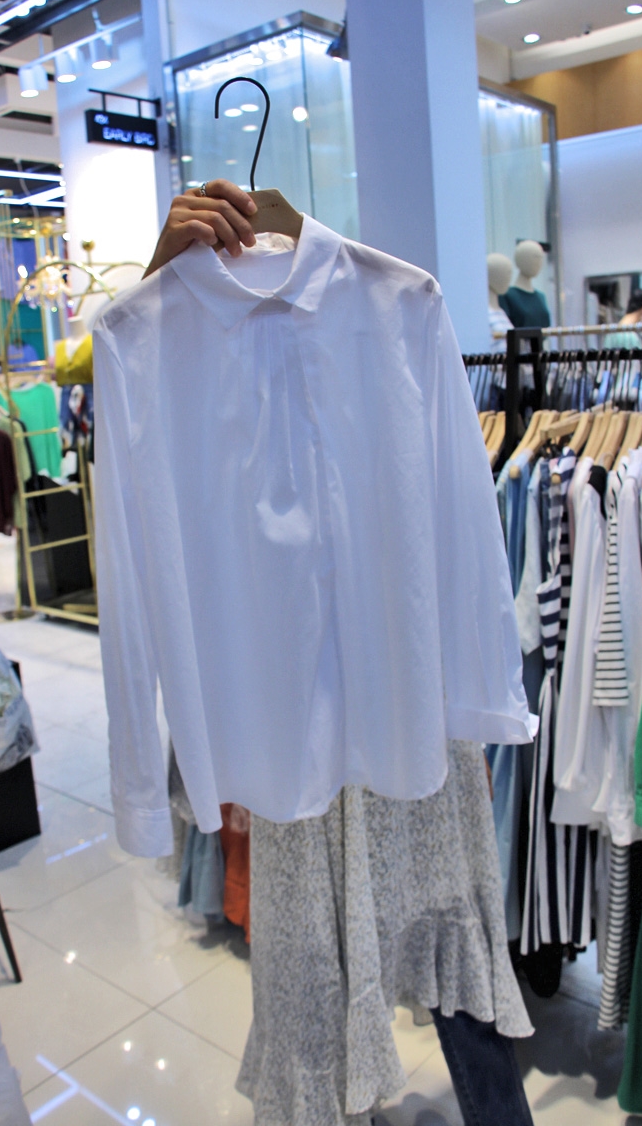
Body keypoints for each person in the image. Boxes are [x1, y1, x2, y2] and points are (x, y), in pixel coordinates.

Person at [141, 180, 535, 1126]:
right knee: (311, 974)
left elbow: (462, 519)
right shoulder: (170, 331)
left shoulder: (401, 305)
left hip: (409, 700)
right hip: (292, 728)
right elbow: (141, 482)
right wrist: (157, 279)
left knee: (452, 939)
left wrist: (478, 690)